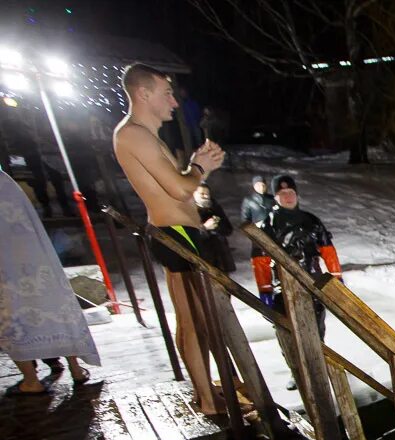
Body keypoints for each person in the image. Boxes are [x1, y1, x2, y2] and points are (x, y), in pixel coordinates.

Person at [112, 62, 227, 415]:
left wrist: (197, 167)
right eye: (167, 93)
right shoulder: (133, 134)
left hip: (179, 232)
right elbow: (178, 188)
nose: (174, 102)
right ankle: (207, 400)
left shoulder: (142, 135)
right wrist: (199, 167)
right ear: (143, 93)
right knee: (194, 320)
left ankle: (207, 391)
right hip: (175, 234)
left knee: (194, 318)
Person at [0, 169, 98, 394]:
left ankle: (31, 379)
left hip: (7, 268)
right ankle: (75, 368)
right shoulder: (6, 183)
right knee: (51, 300)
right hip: (32, 257)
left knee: (10, 308)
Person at [252, 174, 343, 390]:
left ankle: (319, 369)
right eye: (282, 193)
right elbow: (260, 260)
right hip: (281, 290)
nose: (287, 196)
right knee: (288, 335)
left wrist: (336, 279)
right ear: (275, 197)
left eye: (291, 192)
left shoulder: (311, 221)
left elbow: (328, 252)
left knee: (317, 331)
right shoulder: (267, 225)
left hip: (313, 285)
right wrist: (264, 290)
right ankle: (297, 373)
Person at [192, 183, 236, 274]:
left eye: (207, 194)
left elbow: (229, 229)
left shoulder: (215, 207)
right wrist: (205, 228)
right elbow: (190, 236)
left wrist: (217, 227)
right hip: (203, 257)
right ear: (194, 194)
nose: (205, 196)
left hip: (221, 256)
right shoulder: (189, 210)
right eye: (202, 194)